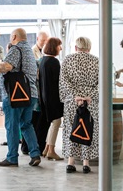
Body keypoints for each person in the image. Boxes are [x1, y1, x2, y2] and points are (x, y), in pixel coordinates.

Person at [0, 28, 41, 167]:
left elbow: (6, 66)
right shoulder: (28, 50)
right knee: (26, 125)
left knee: (12, 126)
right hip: (31, 94)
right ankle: (35, 154)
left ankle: (12, 158)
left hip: (16, 95)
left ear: (14, 36)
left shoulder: (16, 49)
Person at [59, 37, 99, 174]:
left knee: (71, 128)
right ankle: (86, 163)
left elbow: (63, 81)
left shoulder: (68, 60)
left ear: (76, 47)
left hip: (73, 101)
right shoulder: (97, 61)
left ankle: (71, 162)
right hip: (90, 102)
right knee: (88, 129)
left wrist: (75, 96)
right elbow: (102, 83)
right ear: (89, 47)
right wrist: (90, 96)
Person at [39, 37, 64, 160]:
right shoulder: (54, 62)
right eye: (59, 46)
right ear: (54, 47)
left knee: (52, 123)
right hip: (53, 96)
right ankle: (51, 150)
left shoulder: (43, 60)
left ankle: (46, 148)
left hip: (45, 96)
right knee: (56, 122)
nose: (61, 48)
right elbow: (59, 81)